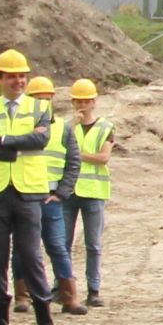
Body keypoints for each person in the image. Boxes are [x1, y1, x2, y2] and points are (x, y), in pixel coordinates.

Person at [0, 49, 63, 325]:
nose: (18, 81)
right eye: (12, 76)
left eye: (22, 76)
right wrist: (17, 149)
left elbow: (41, 140)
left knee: (31, 257)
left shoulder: (40, 107)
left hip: (28, 193)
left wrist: (1, 141)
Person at [27, 77, 88, 316]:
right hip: (26, 197)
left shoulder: (63, 128)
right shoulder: (20, 127)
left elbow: (73, 162)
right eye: (37, 99)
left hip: (51, 199)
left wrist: (62, 193)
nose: (42, 103)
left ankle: (68, 297)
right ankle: (23, 296)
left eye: (46, 99)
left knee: (58, 247)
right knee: (25, 249)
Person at [63, 79, 114, 307]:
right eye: (78, 101)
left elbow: (104, 157)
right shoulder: (66, 127)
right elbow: (57, 147)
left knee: (93, 245)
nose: (82, 105)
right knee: (63, 244)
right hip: (68, 191)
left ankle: (93, 289)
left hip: (93, 192)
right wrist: (71, 125)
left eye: (86, 101)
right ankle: (63, 287)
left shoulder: (105, 127)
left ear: (94, 101)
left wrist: (76, 154)